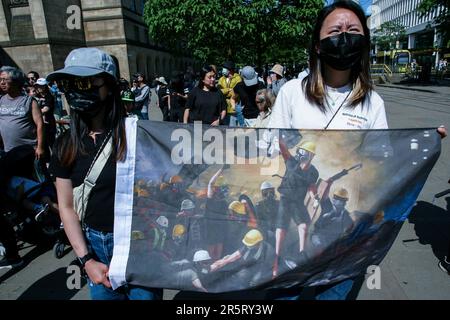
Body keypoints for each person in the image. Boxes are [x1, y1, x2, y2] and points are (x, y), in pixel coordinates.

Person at [268, 0, 446, 300]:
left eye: (353, 30)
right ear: (318, 44)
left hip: (345, 242)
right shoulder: (292, 93)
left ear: (363, 41)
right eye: (336, 30)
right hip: (293, 240)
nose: (344, 36)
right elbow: (272, 148)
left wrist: (421, 145)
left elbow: (381, 161)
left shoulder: (372, 102)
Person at [47, 47, 162, 300]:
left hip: (140, 245)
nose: (77, 90)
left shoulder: (136, 135)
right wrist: (86, 259)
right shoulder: (65, 144)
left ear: (108, 86)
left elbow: (164, 187)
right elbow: (66, 206)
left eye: (86, 82)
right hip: (96, 250)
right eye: (69, 83)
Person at [217, 61, 242, 126]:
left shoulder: (238, 78)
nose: (223, 69)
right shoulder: (221, 79)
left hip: (233, 109)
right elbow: (219, 92)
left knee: (231, 128)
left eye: (224, 68)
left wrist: (225, 92)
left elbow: (236, 93)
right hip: (223, 108)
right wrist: (229, 90)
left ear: (230, 69)